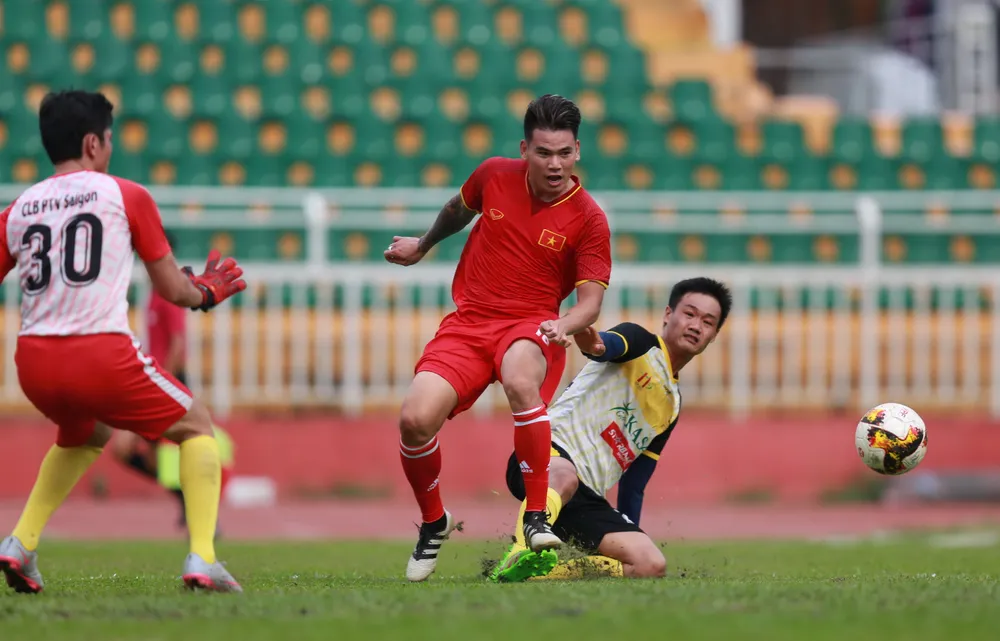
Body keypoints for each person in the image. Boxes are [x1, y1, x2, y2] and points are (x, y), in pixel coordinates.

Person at [0, 90, 246, 594]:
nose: (110, 149)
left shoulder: (18, 209)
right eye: (109, 140)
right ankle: (204, 557)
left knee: (87, 433)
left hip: (34, 363)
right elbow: (171, 289)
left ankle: (20, 544)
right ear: (93, 143)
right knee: (197, 427)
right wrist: (205, 292)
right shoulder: (125, 195)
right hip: (99, 352)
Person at [384, 94, 613, 582]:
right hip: (469, 323)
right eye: (544, 153)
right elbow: (455, 208)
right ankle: (433, 523)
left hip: (531, 324)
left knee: (519, 378)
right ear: (524, 149)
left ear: (578, 152)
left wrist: (564, 325)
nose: (555, 164)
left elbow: (590, 303)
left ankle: (535, 518)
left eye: (565, 153)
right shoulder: (493, 174)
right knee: (414, 419)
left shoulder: (589, 219)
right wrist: (422, 247)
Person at [489, 277, 733, 582]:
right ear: (669, 314)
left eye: (707, 322)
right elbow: (605, 346)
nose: (696, 325)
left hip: (585, 496)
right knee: (564, 476)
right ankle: (519, 552)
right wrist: (594, 343)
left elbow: (635, 483)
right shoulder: (640, 341)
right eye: (690, 314)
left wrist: (630, 529)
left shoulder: (672, 406)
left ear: (713, 335)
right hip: (545, 460)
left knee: (649, 565)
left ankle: (532, 576)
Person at [112, 231, 191, 527]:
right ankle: (188, 502)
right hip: (153, 378)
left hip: (163, 381)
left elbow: (178, 345)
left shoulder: (169, 292)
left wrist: (162, 382)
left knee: (127, 448)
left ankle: (192, 504)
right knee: (155, 456)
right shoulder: (155, 292)